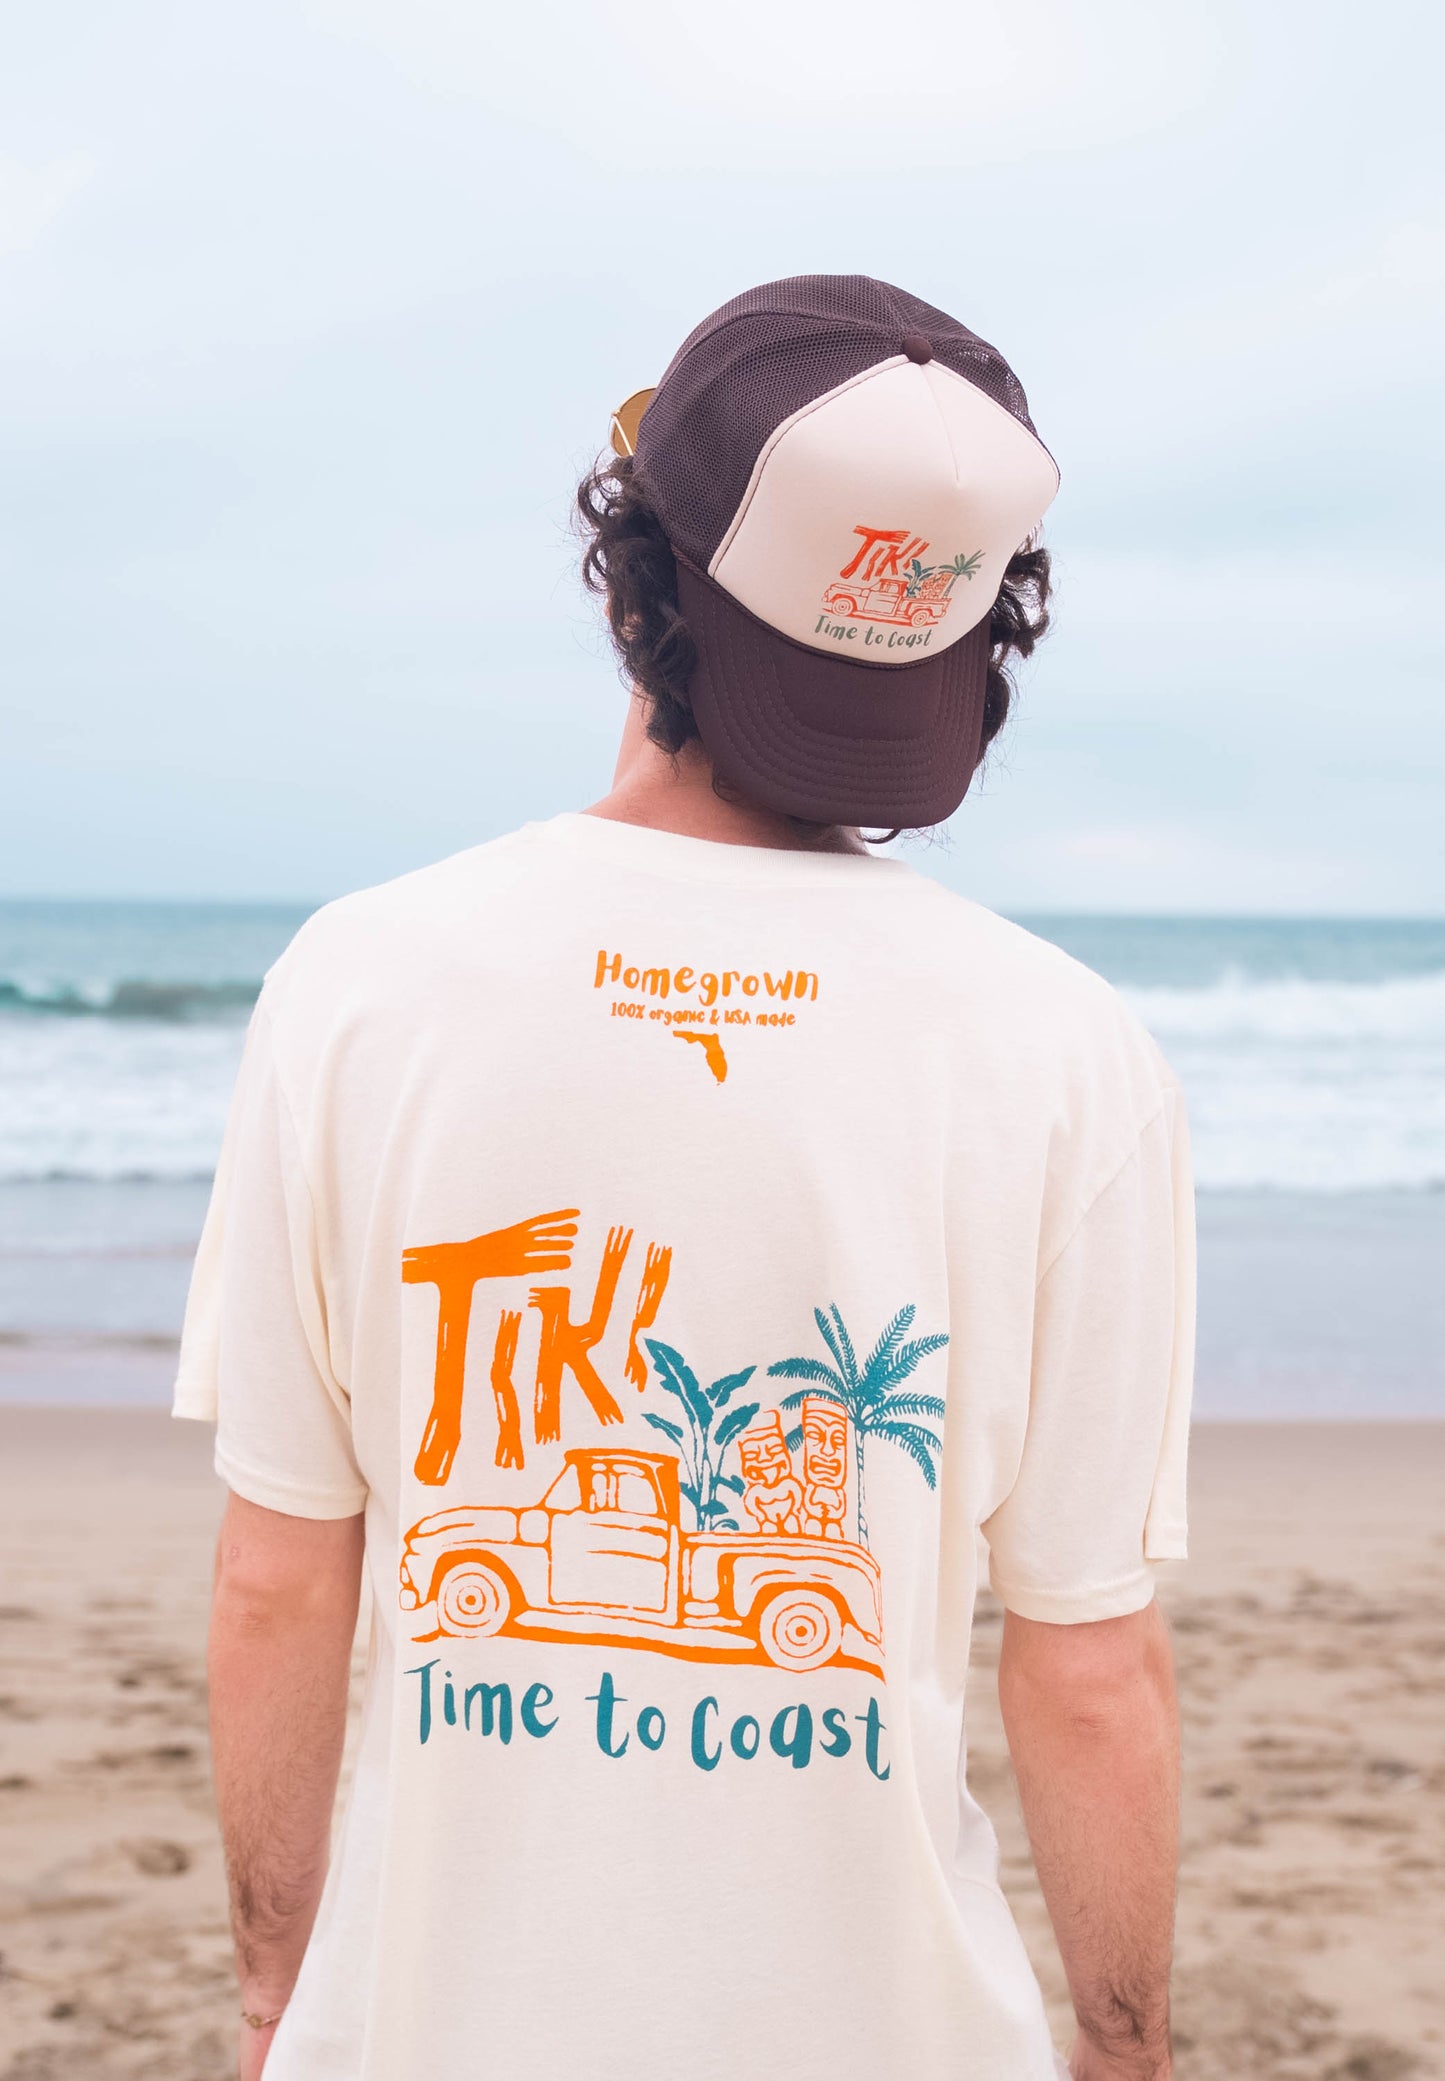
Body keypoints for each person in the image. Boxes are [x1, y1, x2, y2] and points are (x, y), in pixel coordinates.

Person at [178, 274, 1193, 2081]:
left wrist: (279, 1988)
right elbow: (1089, 1671)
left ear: (630, 580)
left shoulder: (361, 980)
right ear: (965, 648)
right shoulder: (1062, 1048)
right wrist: (1128, 2055)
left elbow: (278, 1577)